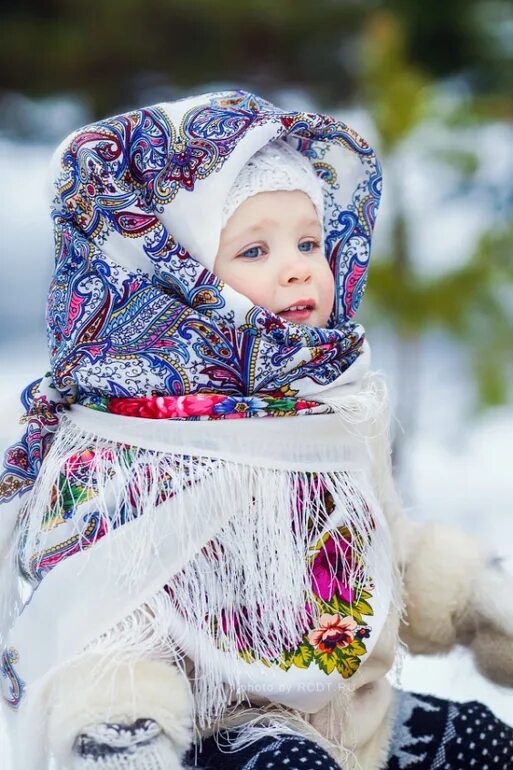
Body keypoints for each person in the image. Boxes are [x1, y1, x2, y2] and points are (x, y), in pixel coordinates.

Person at [0, 90, 512, 770]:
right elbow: (98, 610)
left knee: (480, 740)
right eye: (254, 250)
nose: (297, 265)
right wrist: (118, 725)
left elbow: (377, 539)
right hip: (216, 727)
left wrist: (473, 599)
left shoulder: (332, 399)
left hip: (349, 716)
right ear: (176, 279)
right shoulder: (132, 437)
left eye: (307, 241)